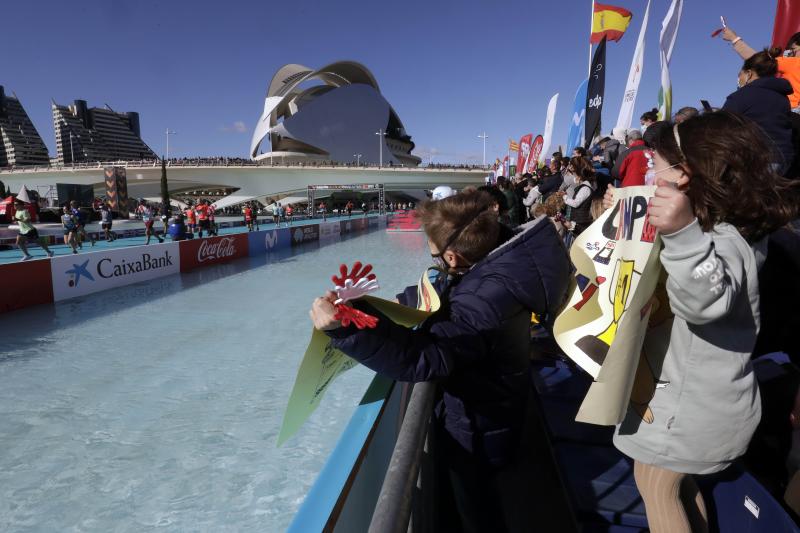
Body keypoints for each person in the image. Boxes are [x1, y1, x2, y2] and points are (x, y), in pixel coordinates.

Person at [309, 190, 572, 531]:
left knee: (479, 512)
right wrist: (377, 308)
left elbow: (426, 357)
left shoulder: (484, 300)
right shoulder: (497, 261)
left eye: (433, 253)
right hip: (494, 407)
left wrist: (344, 331)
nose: (432, 260)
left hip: (481, 427)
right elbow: (442, 294)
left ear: (452, 257)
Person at [603, 111, 800, 533]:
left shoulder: (721, 241)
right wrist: (621, 219)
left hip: (688, 408)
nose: (651, 171)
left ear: (690, 174)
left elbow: (704, 302)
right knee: (674, 486)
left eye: (659, 164)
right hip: (687, 401)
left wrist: (681, 235)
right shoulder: (724, 230)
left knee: (655, 484)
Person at [722, 49, 794, 174]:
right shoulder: (783, 97)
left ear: (749, 73)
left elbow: (719, 127)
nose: (739, 79)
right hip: (784, 158)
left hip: (757, 159)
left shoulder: (741, 96)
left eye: (740, 75)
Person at [723, 26, 800, 111]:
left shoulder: (795, 62)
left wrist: (734, 39)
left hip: (791, 111)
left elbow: (760, 61)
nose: (789, 54)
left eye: (792, 50)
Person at [559, 156, 597, 236]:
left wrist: (564, 196)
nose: (573, 177)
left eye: (573, 174)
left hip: (581, 226)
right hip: (578, 224)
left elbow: (576, 203)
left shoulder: (585, 188)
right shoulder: (583, 186)